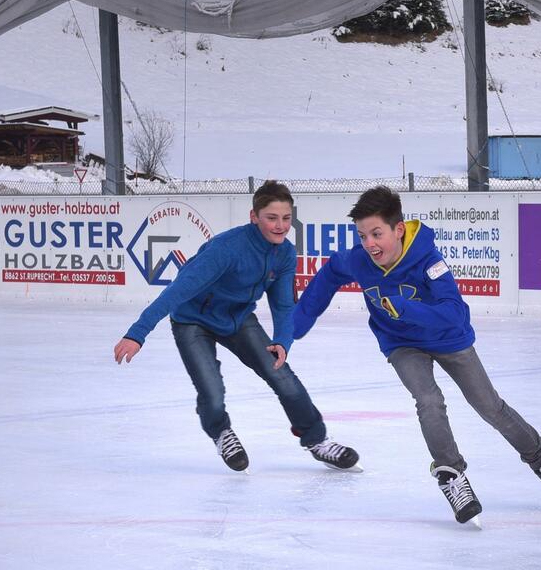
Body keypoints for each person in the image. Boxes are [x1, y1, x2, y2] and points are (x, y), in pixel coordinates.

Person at [292, 186, 541, 525]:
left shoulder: (430, 261)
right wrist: (291, 331)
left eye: (376, 234)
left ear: (399, 229)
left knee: (490, 407)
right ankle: (451, 474)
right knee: (428, 400)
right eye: (362, 236)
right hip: (401, 344)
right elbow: (331, 272)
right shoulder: (359, 261)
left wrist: (407, 308)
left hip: (448, 338)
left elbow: (455, 313)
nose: (369, 244)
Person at [113, 180, 360, 473]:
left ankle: (317, 440)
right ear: (254, 216)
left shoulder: (284, 253)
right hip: (193, 320)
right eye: (271, 218)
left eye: (286, 218)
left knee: (282, 375)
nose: (280, 226)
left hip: (239, 318)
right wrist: (137, 333)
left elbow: (282, 305)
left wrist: (282, 341)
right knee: (212, 391)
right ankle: (221, 432)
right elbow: (177, 292)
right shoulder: (227, 249)